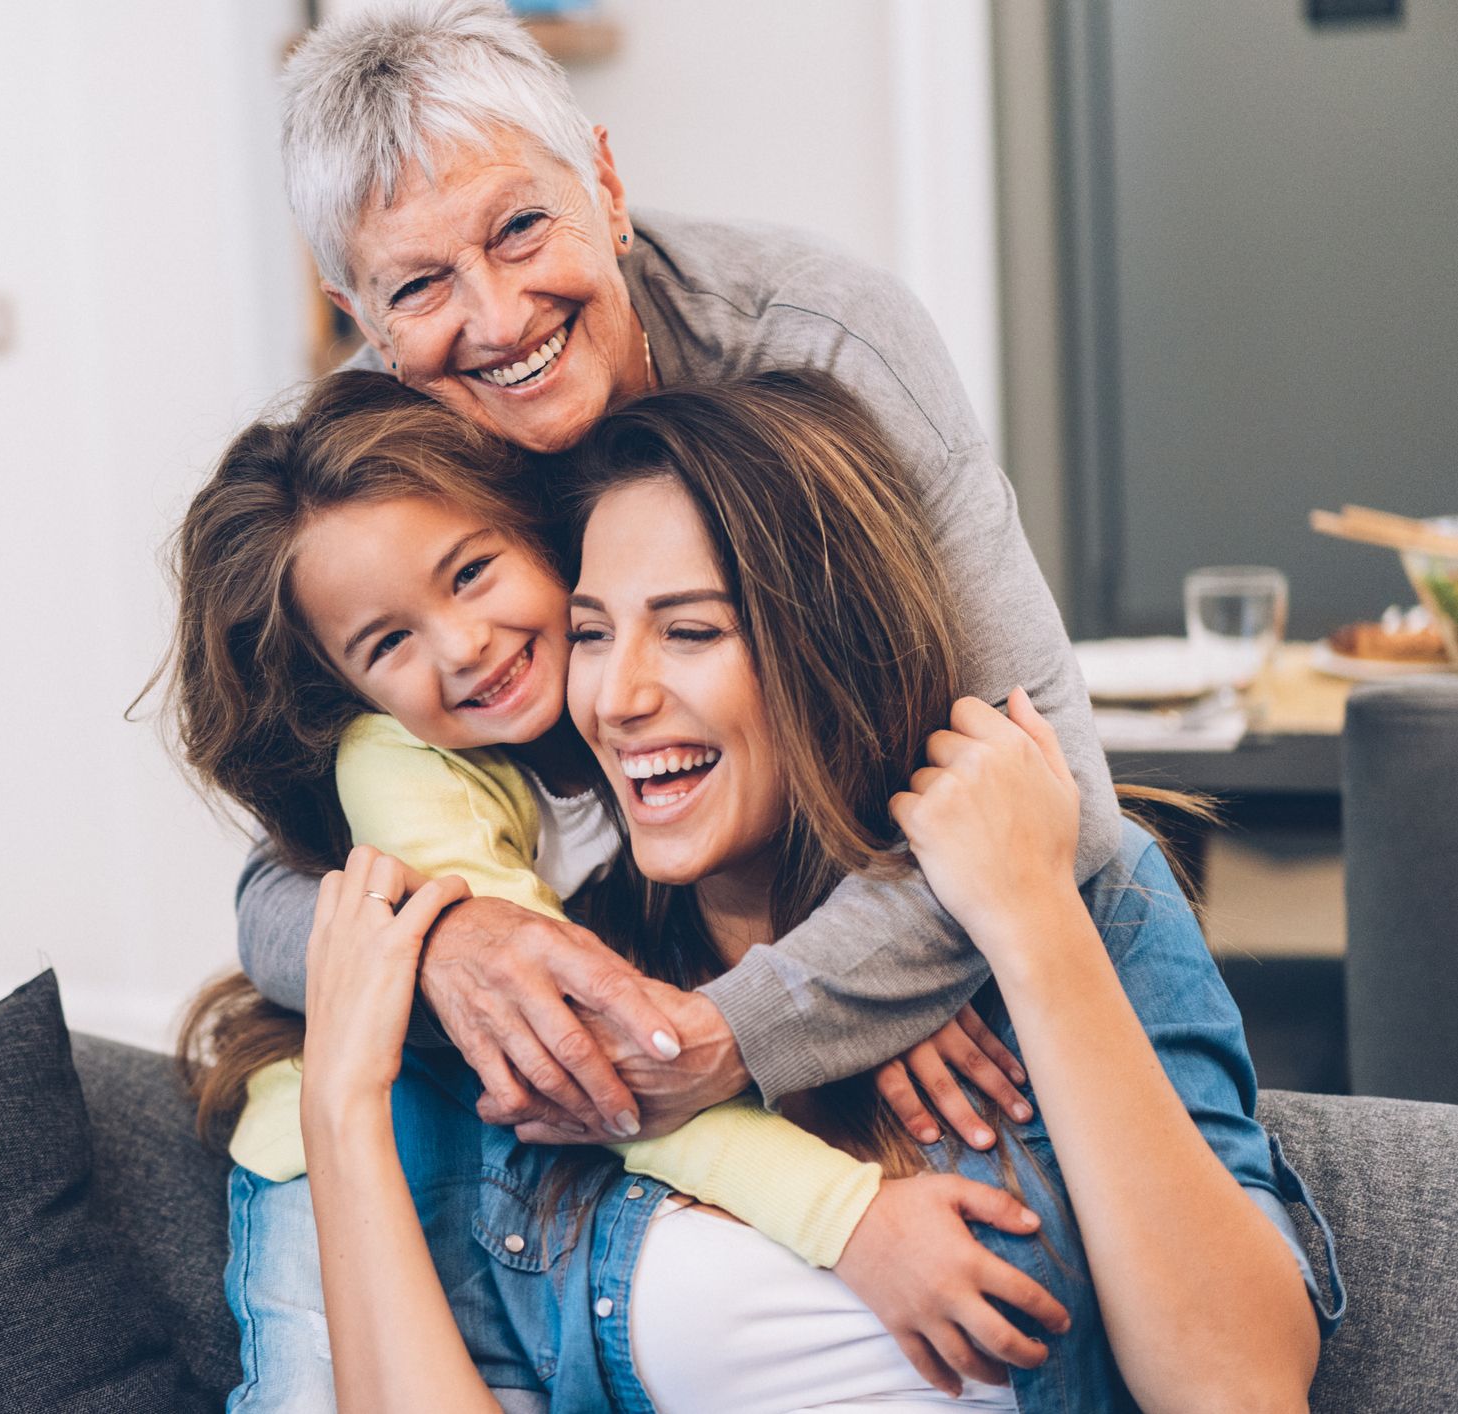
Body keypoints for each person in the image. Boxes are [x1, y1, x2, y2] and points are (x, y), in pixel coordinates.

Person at [286, 373, 1337, 1412]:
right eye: (595, 632)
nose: (617, 697)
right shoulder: (574, 987)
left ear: (827, 647)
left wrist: (1030, 922)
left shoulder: (1082, 901)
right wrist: (341, 1107)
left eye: (691, 632)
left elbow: (1239, 1389)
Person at [238, 0, 1118, 1151]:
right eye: (418, 288)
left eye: (517, 229)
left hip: (878, 967)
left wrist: (758, 1017)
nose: (497, 319)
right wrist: (447, 944)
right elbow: (272, 894)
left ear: (604, 185)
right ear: (362, 321)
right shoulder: (368, 471)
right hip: (626, 985)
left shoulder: (824, 343)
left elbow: (1062, 800)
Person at [164, 370, 1066, 1407]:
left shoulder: (621, 706)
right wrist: (849, 1218)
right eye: (388, 642)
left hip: (519, 1144)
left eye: (470, 573)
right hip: (342, 1156)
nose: (463, 647)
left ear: (538, 532)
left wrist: (880, 992)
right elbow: (588, 1054)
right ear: (348, 687)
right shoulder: (403, 767)